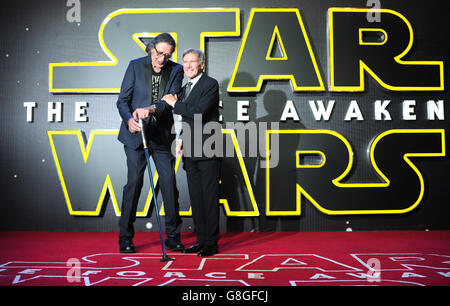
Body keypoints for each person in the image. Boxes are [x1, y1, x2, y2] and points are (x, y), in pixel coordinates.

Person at [116, 33, 184, 253]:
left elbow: (168, 103)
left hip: (161, 136)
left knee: (169, 183)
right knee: (134, 183)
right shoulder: (135, 66)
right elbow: (122, 101)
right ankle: (125, 237)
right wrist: (129, 120)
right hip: (136, 135)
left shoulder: (176, 70)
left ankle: (173, 236)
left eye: (167, 55)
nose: (162, 59)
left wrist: (150, 110)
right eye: (159, 53)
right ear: (151, 49)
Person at [161, 48, 221, 257]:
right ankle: (202, 240)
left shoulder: (210, 84)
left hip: (208, 150)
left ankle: (211, 243)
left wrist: (175, 103)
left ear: (202, 64)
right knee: (196, 199)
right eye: (185, 61)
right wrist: (180, 141)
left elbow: (197, 113)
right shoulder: (186, 87)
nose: (187, 65)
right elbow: (185, 120)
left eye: (192, 62)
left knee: (209, 198)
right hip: (190, 151)